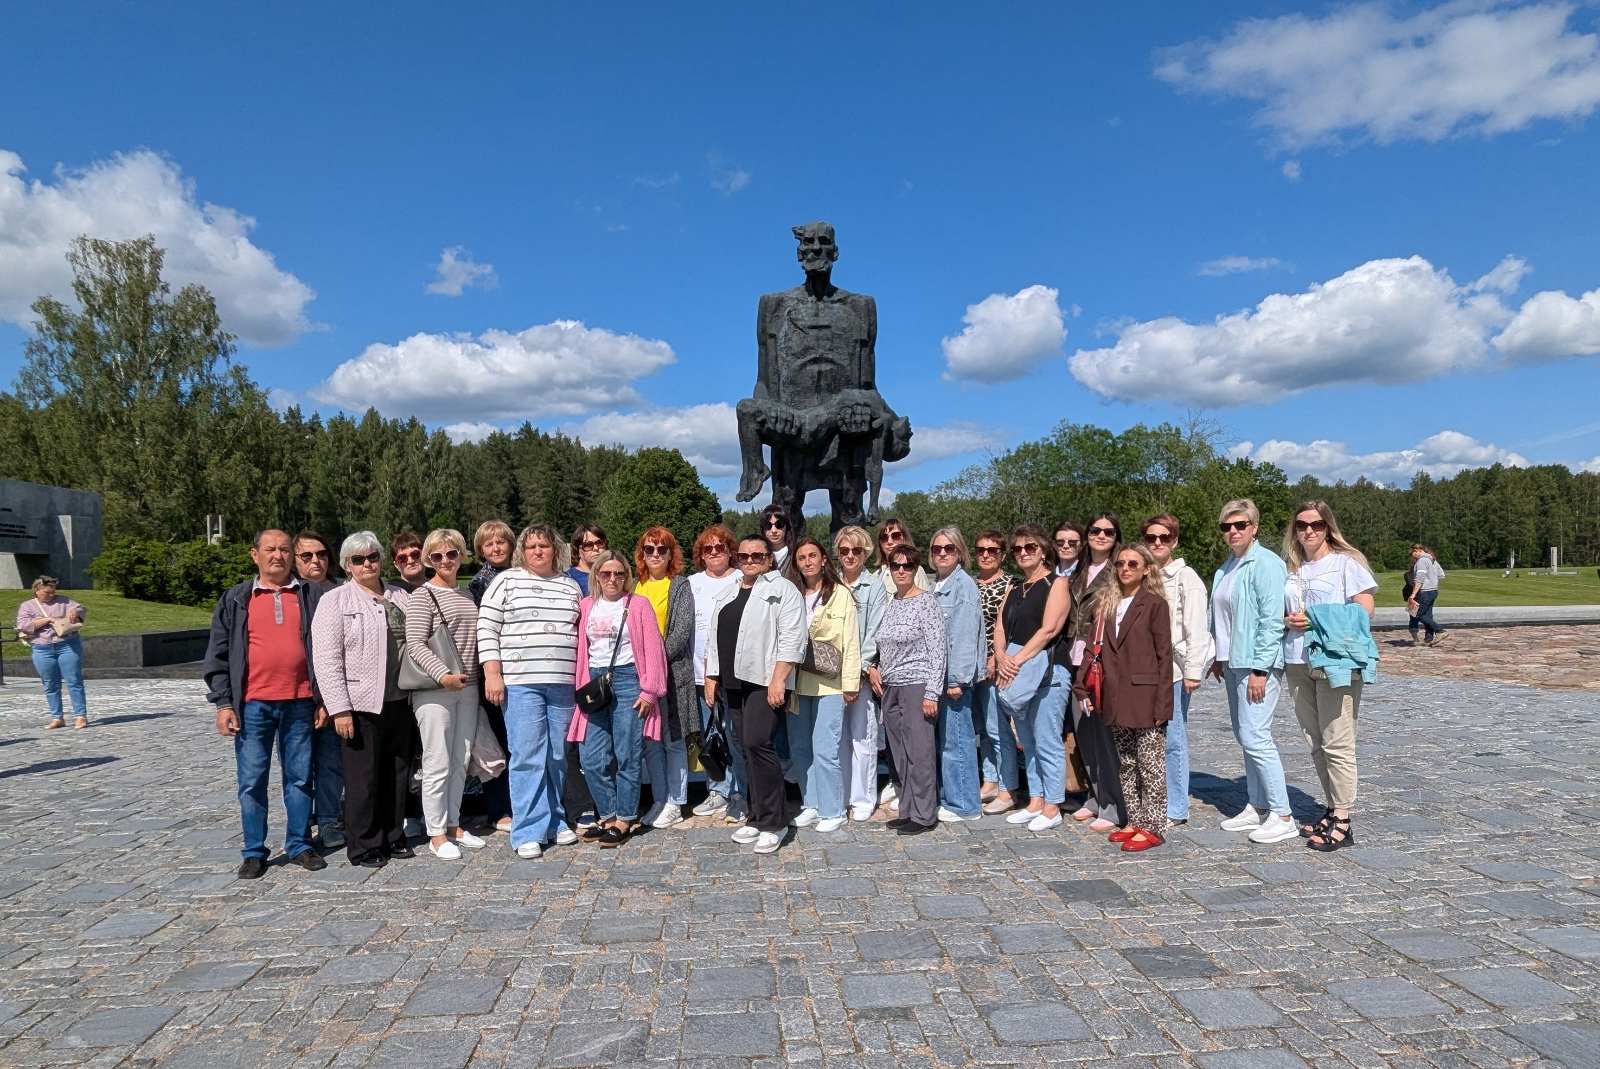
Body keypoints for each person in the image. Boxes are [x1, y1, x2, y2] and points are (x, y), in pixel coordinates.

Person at [203, 529, 329, 879]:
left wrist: (323, 699)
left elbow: (328, 650)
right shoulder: (236, 599)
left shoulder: (311, 595)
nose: (278, 555)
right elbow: (218, 654)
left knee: (300, 779)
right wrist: (224, 703)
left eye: (285, 550)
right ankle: (254, 851)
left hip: (301, 702)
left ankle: (300, 844)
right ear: (254, 554)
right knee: (252, 781)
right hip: (253, 705)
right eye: (270, 549)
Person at [479, 524, 583, 860]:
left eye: (544, 545)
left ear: (556, 549)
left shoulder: (570, 586)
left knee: (556, 755)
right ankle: (528, 828)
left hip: (562, 683)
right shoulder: (506, 581)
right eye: (532, 546)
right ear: (523, 550)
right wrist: (492, 673)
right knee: (527, 755)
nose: (538, 551)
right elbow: (487, 626)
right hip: (521, 682)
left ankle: (555, 818)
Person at [309, 531, 413, 868]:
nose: (367, 563)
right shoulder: (335, 601)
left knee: (397, 773)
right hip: (361, 703)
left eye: (372, 557)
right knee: (363, 778)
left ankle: (393, 834)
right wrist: (339, 708)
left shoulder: (401, 596)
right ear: (346, 565)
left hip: (402, 699)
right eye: (358, 559)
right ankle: (365, 844)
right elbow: (326, 659)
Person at [1282, 501, 1378, 852]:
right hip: (1296, 659)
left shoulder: (1345, 564)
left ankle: (1344, 820)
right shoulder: (1291, 568)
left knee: (1338, 741)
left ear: (1328, 527)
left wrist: (1318, 618)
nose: (1309, 531)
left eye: (1317, 524)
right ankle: (1331, 806)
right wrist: (1286, 620)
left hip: (1335, 661)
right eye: (1302, 525)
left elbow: (1364, 609)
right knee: (1315, 741)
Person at [705, 534, 805, 855]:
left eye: (757, 556)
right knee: (743, 750)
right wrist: (712, 676)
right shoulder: (728, 591)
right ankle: (756, 814)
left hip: (764, 681)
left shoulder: (782, 590)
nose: (750, 561)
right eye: (744, 556)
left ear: (769, 558)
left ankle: (776, 821)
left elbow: (793, 637)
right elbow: (714, 637)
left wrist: (779, 679)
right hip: (733, 682)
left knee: (758, 744)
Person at [1209, 499, 1297, 844]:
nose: (1232, 531)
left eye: (1240, 525)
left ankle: (1283, 813)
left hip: (1256, 664)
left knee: (1256, 735)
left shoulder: (1266, 564)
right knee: (1245, 735)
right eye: (1226, 527)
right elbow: (1223, 617)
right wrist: (1218, 654)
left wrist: (1262, 668)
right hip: (1233, 662)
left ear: (1254, 527)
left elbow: (1270, 620)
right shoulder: (1228, 566)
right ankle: (1258, 804)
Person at [1077, 544, 1173, 852]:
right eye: (1120, 564)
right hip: (1116, 695)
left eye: (1133, 563)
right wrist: (1083, 686)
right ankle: (1134, 820)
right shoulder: (1107, 604)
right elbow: (1093, 650)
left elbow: (1164, 656)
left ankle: (1154, 826)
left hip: (1146, 696)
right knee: (1126, 764)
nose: (1125, 568)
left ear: (1146, 569)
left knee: (1150, 764)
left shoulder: (1154, 604)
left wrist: (1164, 703)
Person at [569, 552, 668, 848]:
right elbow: (582, 653)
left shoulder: (637, 605)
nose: (612, 579)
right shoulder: (587, 606)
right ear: (596, 575)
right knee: (591, 756)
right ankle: (609, 814)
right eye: (606, 574)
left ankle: (624, 818)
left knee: (627, 754)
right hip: (595, 683)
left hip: (628, 681)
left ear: (626, 576)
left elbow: (654, 650)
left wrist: (649, 691)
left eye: (619, 574)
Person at [406, 528, 486, 860]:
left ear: (461, 555)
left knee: (460, 760)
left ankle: (453, 823)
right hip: (436, 690)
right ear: (428, 560)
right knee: (437, 761)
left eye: (451, 554)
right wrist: (443, 675)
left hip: (468, 687)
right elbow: (415, 643)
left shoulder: (467, 594)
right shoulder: (423, 596)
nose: (445, 561)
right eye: (437, 556)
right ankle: (436, 832)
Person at [991, 525, 1072, 832]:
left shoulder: (1057, 583)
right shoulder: (1015, 588)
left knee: (1047, 737)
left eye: (1030, 547)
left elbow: (1050, 629)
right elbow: (1000, 626)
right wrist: (1000, 656)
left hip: (1046, 670)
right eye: (1017, 549)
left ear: (1043, 550)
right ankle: (1036, 799)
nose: (1023, 553)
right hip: (1016, 669)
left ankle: (1053, 805)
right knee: (1027, 738)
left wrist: (1016, 660)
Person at [1141, 514, 1212, 828]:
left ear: (1175, 541)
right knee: (1148, 738)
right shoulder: (1142, 574)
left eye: (1164, 537)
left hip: (1174, 670)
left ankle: (1176, 807)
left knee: (1173, 737)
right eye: (1151, 537)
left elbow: (1197, 627)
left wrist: (1194, 670)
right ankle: (1153, 798)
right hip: (1143, 671)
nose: (1157, 542)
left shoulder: (1186, 578)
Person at [785, 536, 860, 833]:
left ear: (824, 559)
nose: (807, 562)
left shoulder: (839, 594)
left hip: (830, 683)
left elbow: (851, 640)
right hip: (798, 681)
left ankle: (833, 809)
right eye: (802, 557)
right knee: (800, 746)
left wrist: (851, 683)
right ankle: (812, 803)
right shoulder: (793, 595)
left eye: (812, 556)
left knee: (825, 748)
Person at [874, 544, 946, 836]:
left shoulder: (926, 602)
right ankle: (907, 809)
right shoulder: (891, 602)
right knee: (898, 753)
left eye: (907, 566)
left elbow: (938, 648)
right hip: (890, 686)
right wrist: (875, 666)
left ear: (916, 569)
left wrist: (932, 692)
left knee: (920, 752)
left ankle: (924, 813)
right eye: (895, 566)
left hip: (917, 684)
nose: (901, 571)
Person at [1061, 512, 1125, 832]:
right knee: (1083, 732)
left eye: (1108, 531)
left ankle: (1114, 804)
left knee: (1104, 735)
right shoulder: (1079, 571)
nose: (1101, 535)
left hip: (1101, 660)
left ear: (1116, 537)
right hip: (1075, 657)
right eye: (1095, 530)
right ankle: (1095, 796)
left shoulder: (1118, 571)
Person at [634, 527, 696, 829]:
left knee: (673, 740)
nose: (655, 554)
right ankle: (659, 798)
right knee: (650, 741)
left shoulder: (680, 585)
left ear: (671, 553)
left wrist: (654, 662)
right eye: (649, 549)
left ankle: (676, 800)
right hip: (641, 678)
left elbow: (681, 631)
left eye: (661, 549)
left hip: (672, 675)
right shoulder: (636, 586)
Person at [687, 525, 747, 823]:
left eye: (720, 548)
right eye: (708, 549)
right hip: (700, 673)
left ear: (729, 551)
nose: (714, 553)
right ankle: (718, 790)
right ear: (701, 554)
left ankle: (741, 793)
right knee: (711, 736)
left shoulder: (741, 579)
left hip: (736, 673)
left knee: (736, 735)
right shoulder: (691, 584)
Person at [294, 528, 344, 852]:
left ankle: (328, 820)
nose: (316, 561)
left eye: (322, 554)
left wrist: (327, 699)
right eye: (307, 555)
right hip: (295, 695)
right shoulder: (290, 594)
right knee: (298, 767)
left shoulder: (340, 592)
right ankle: (299, 826)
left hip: (334, 693)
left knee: (330, 762)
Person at [929, 528, 983, 823]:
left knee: (957, 741)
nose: (942, 553)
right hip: (937, 677)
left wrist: (956, 679)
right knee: (946, 740)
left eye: (949, 548)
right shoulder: (936, 583)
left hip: (953, 678)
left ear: (960, 552)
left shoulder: (963, 585)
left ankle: (965, 804)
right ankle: (950, 796)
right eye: (937, 549)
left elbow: (963, 635)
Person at [834, 525, 888, 822]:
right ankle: (841, 795)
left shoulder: (874, 586)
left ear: (866, 552)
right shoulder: (833, 584)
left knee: (862, 737)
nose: (850, 556)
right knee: (837, 739)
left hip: (859, 674)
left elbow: (876, 631)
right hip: (831, 674)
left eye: (856, 550)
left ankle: (863, 797)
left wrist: (858, 669)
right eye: (844, 551)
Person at [467, 519, 517, 833]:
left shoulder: (524, 574)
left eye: (501, 542)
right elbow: (482, 633)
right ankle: (499, 808)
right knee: (497, 743)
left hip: (525, 669)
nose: (496, 548)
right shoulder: (478, 584)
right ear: (480, 550)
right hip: (494, 670)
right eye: (489, 544)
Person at [971, 531, 1017, 815]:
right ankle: (989, 779)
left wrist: (996, 657)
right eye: (981, 550)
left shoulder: (1010, 584)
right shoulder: (971, 583)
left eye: (992, 550)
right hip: (971, 667)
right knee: (983, 730)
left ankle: (1008, 785)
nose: (986, 554)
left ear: (1002, 554)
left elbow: (1011, 626)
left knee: (998, 728)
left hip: (997, 664)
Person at [16, 576, 89, 729]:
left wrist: (75, 611)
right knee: (50, 684)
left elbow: (82, 609)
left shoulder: (64, 600)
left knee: (74, 680)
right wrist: (45, 620)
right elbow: (23, 625)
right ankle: (57, 718)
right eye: (47, 592)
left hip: (67, 645)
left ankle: (80, 716)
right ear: (37, 591)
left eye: (53, 591)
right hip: (42, 648)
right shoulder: (27, 606)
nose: (51, 594)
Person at [874, 518, 930, 593]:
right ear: (880, 543)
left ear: (905, 538)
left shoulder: (915, 571)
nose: (889, 542)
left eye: (895, 536)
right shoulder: (876, 575)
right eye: (884, 537)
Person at [1408, 545, 1447, 647]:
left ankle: (1440, 630)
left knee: (1417, 614)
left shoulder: (1421, 561)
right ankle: (1428, 638)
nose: (1412, 556)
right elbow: (1441, 575)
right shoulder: (1432, 560)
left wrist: (1413, 594)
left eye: (1412, 553)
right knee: (1428, 615)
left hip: (1425, 591)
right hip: (1433, 590)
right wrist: (1432, 578)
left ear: (1417, 551)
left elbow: (1420, 578)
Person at [568, 524, 608, 597]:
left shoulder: (613, 575)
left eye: (599, 543)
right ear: (577, 551)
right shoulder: (568, 578)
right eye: (588, 545)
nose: (596, 548)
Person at [758, 504, 795, 570]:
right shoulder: (756, 556)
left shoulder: (796, 554)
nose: (774, 530)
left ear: (787, 527)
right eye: (768, 525)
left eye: (779, 524)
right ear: (763, 529)